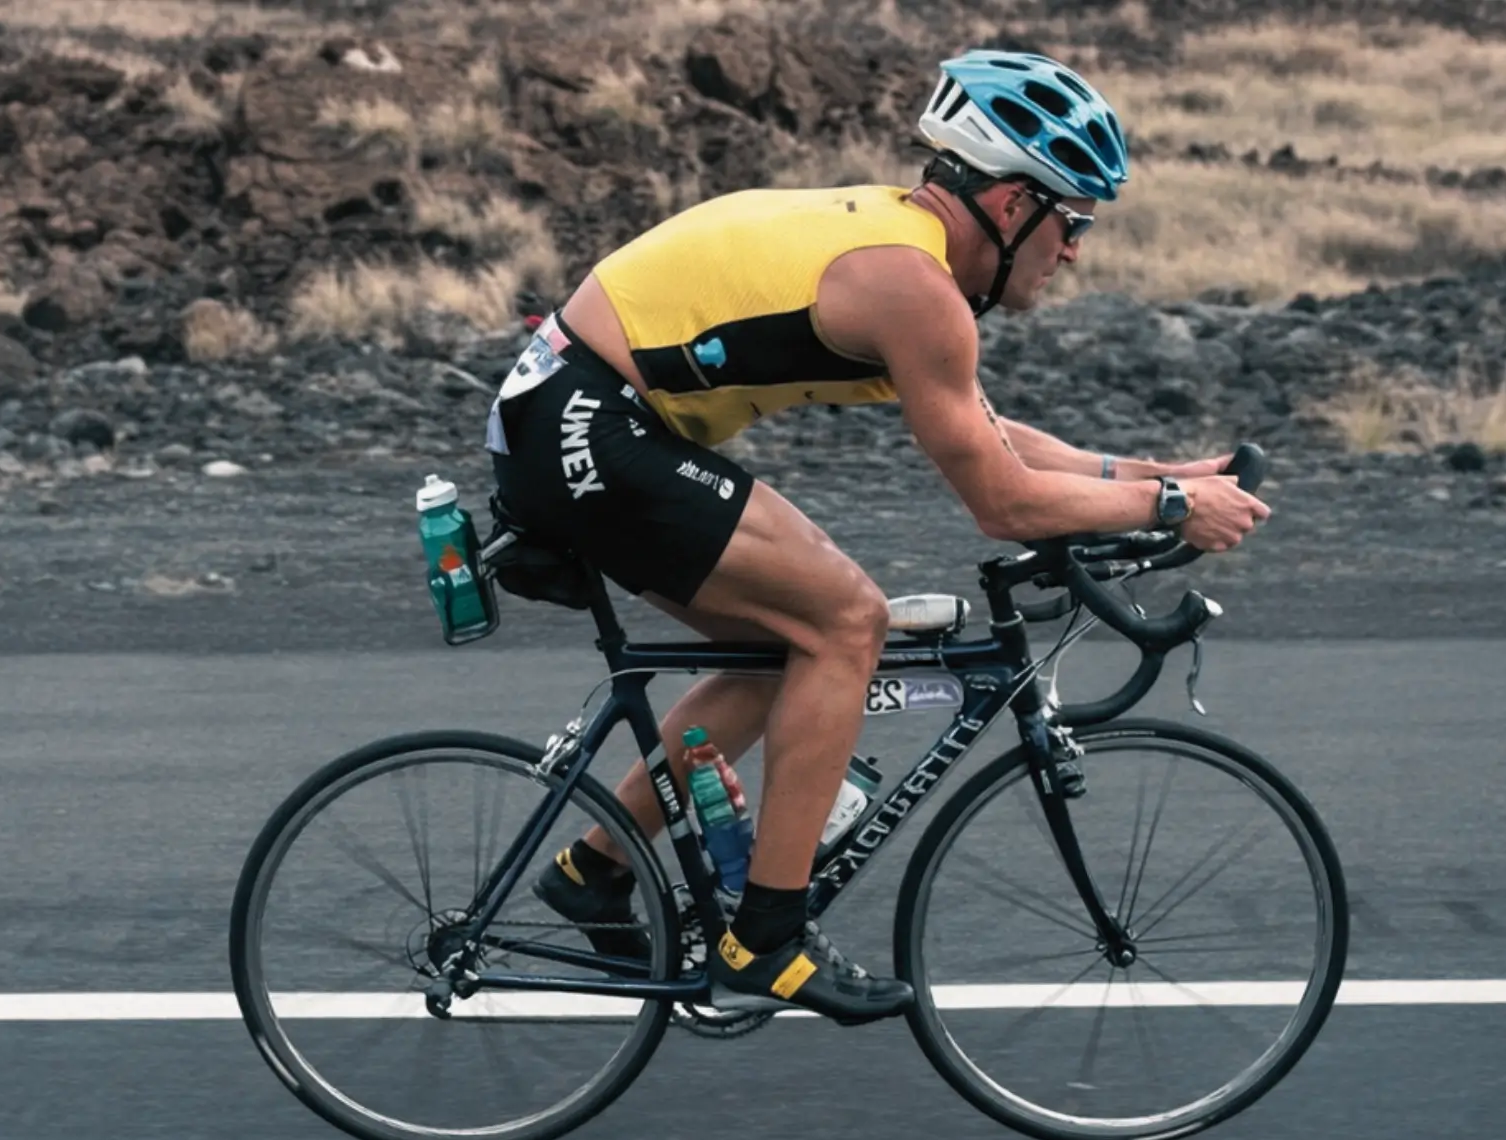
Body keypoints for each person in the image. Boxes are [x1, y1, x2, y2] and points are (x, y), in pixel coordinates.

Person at [483, 49, 1270, 1025]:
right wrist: (1167, 515)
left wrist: (1159, 476)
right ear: (1013, 205)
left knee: (788, 636)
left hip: (577, 412)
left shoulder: (909, 256)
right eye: (1070, 221)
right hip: (586, 424)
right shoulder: (913, 289)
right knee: (844, 622)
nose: (1072, 251)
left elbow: (992, 437)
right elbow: (1004, 503)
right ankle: (764, 940)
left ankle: (592, 870)